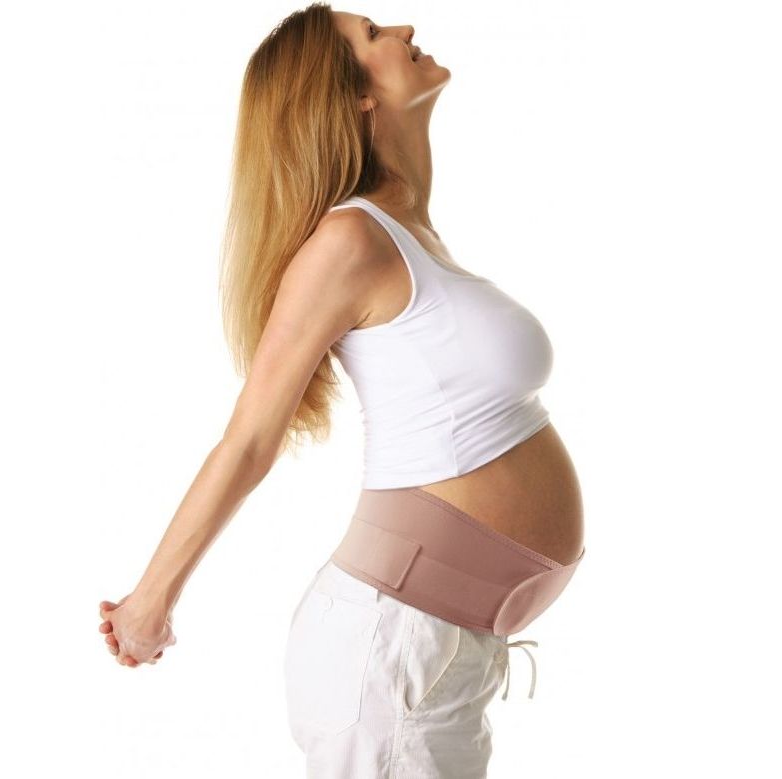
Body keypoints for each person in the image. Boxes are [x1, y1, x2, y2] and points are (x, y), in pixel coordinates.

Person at [97, 4, 585, 776]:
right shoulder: (349, 241)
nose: (404, 30)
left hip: (433, 651)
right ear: (352, 94)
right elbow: (249, 439)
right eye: (373, 35)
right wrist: (148, 602)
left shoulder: (411, 234)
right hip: (392, 649)